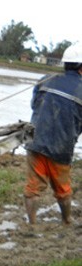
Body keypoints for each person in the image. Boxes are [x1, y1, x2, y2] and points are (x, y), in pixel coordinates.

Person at [23, 42, 82, 225]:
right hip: (61, 147)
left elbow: (35, 105)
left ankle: (32, 223)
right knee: (62, 188)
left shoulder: (46, 79)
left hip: (36, 141)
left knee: (33, 186)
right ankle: (66, 220)